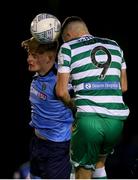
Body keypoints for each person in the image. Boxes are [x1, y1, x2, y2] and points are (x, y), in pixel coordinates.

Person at [56, 16, 130, 179]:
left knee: (80, 173)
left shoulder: (68, 47)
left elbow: (61, 91)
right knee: (99, 165)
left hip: (89, 121)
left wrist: (72, 104)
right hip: (116, 121)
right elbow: (123, 86)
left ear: (67, 36)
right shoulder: (114, 45)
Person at [21, 37, 74, 179]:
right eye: (29, 54)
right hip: (37, 143)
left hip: (57, 149)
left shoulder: (61, 82)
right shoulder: (38, 75)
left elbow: (78, 108)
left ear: (49, 57)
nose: (29, 59)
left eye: (34, 56)